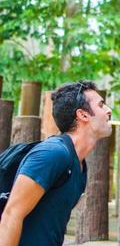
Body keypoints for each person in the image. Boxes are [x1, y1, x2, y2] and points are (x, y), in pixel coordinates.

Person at [0, 80, 112, 246]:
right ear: (83, 115)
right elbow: (11, 214)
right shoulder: (53, 153)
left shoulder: (79, 165)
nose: (109, 110)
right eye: (102, 105)